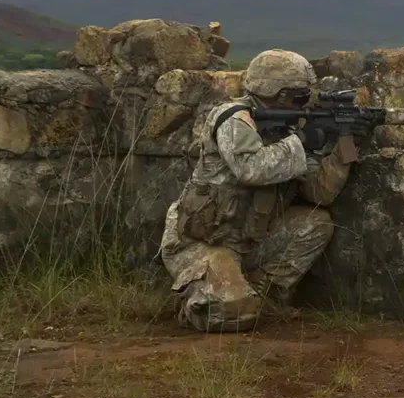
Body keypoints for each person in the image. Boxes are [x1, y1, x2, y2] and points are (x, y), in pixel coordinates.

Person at [157, 49, 367, 332]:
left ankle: (260, 296)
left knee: (315, 223)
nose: (304, 105)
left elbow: (320, 195)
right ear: (277, 94)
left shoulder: (287, 128)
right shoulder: (234, 118)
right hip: (203, 241)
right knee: (233, 313)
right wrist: (302, 141)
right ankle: (202, 304)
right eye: (300, 98)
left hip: (250, 241)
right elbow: (250, 169)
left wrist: (346, 144)